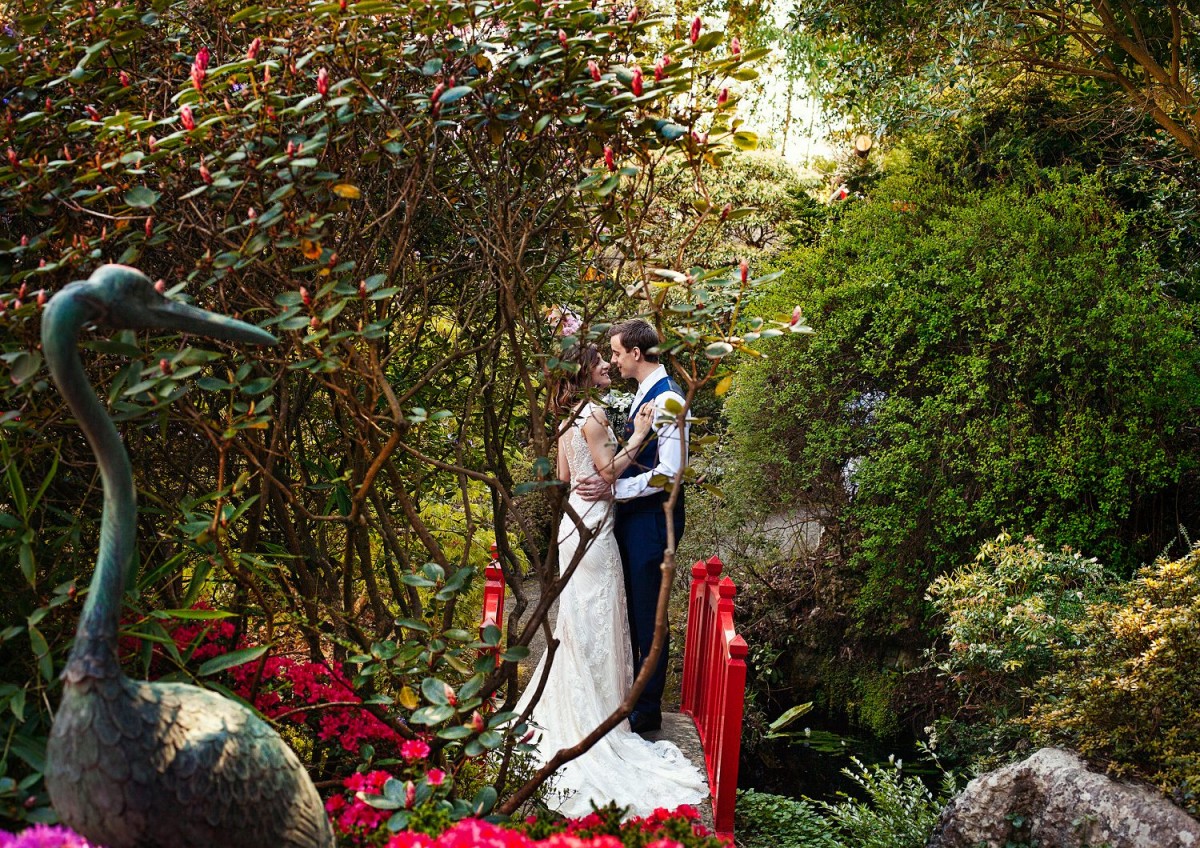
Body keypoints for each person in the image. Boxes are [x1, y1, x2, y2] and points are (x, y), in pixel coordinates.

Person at [515, 344, 707, 818]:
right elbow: (602, 474)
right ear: (584, 371)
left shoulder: (564, 417)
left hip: (573, 520)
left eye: (612, 356)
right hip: (596, 520)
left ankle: (585, 699)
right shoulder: (595, 414)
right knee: (599, 608)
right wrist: (640, 435)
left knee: (581, 611)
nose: (608, 365)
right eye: (601, 360)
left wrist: (599, 475)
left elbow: (566, 475)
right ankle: (601, 711)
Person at [575, 319, 687, 734]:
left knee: (648, 614)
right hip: (633, 519)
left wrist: (615, 491)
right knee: (632, 615)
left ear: (637, 354)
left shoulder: (670, 400)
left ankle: (647, 710)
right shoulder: (643, 394)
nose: (615, 361)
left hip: (654, 523)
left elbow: (671, 472)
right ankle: (634, 698)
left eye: (619, 353)